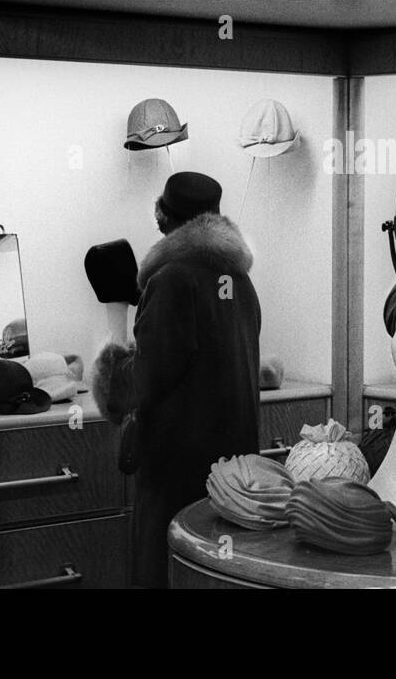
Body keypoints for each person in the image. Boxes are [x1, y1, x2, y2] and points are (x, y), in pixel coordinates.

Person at [130, 171, 261, 587]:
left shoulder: (171, 280)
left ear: (164, 218)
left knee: (166, 564)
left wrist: (112, 377)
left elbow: (149, 377)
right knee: (215, 570)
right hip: (232, 460)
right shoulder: (238, 279)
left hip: (177, 458)